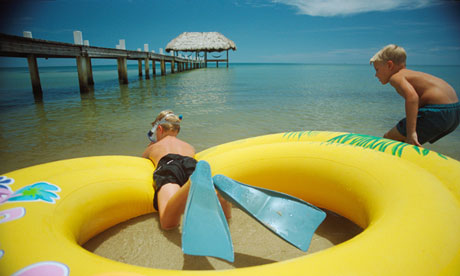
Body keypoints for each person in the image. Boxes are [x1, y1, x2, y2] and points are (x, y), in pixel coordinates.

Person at [142, 110, 231, 230]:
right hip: (191, 163)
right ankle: (216, 193)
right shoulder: (188, 146)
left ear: (159, 129)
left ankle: (189, 186)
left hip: (169, 164)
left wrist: (151, 144)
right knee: (213, 202)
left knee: (168, 223)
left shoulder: (153, 147)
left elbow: (142, 162)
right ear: (177, 130)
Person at [370, 44, 460, 146]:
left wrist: (411, 132)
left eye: (377, 69)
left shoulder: (396, 77)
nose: (376, 75)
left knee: (389, 139)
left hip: (438, 111)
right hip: (455, 113)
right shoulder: (411, 74)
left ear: (390, 65)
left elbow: (412, 98)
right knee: (407, 143)